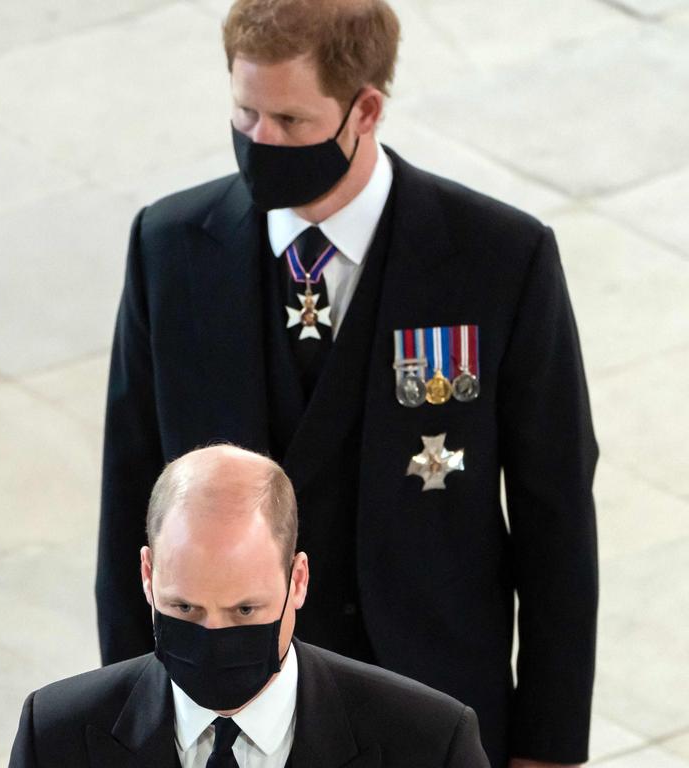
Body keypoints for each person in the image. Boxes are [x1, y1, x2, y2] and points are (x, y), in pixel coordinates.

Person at [95, 1, 598, 766]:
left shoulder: (499, 259)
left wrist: (549, 748)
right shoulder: (170, 250)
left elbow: (555, 515)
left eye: (291, 123)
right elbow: (131, 497)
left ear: (365, 109)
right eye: (244, 112)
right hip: (224, 707)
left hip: (429, 707)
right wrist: (125, 717)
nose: (260, 142)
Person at [10, 446, 489, 767]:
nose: (213, 639)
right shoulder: (55, 736)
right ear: (148, 576)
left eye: (244, 611)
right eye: (185, 610)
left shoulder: (429, 744)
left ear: (297, 580)